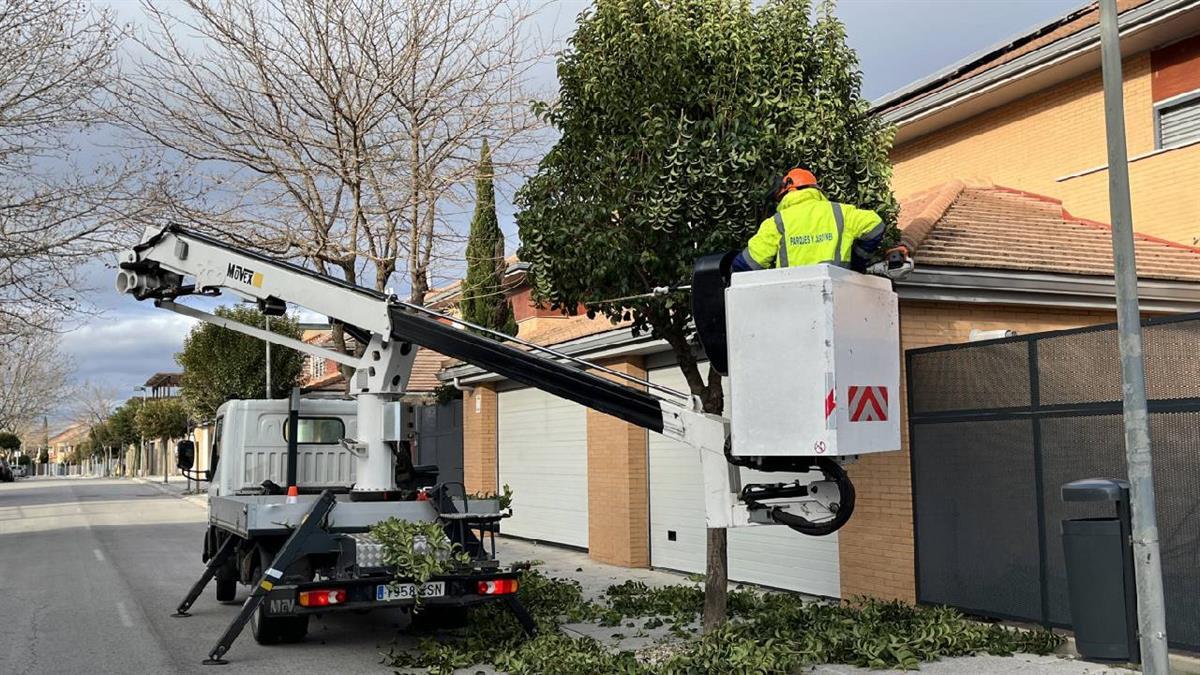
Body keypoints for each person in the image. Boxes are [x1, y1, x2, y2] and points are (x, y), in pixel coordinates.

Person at [732, 167, 889, 273]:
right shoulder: (840, 212)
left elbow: (747, 263)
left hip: (794, 301)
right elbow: (875, 226)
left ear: (789, 191)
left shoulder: (777, 222)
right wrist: (857, 261)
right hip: (840, 293)